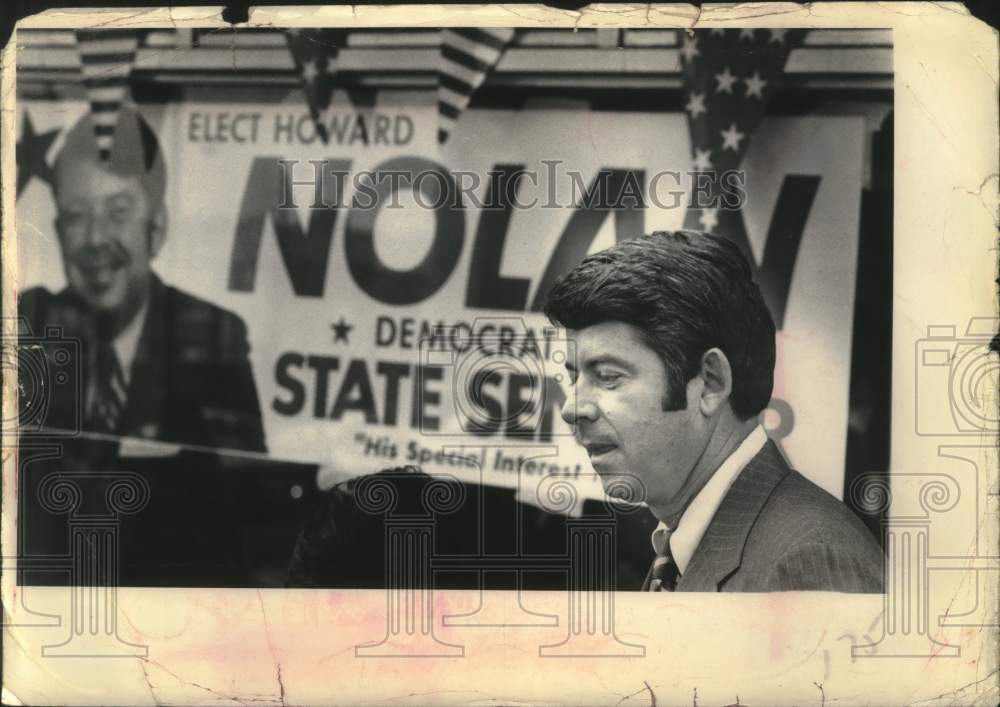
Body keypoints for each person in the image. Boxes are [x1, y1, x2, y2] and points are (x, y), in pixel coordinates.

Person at [543, 230, 884, 592]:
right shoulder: (687, 542)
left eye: (608, 376)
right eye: (575, 377)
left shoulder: (807, 562)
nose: (572, 407)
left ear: (710, 383)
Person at [17, 105, 268, 585]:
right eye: (75, 216)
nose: (94, 239)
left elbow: (249, 514)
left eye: (117, 212)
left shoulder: (212, 333)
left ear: (156, 229)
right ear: (57, 233)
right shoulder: (31, 326)